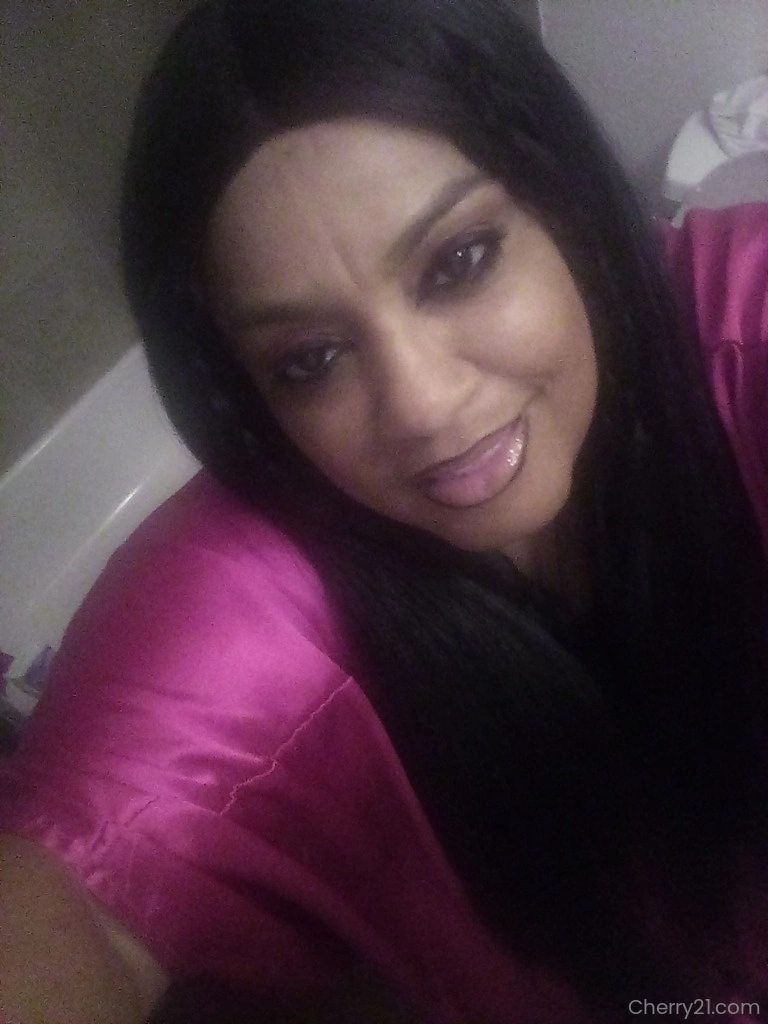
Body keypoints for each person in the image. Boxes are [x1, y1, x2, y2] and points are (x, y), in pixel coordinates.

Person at [1, 0, 768, 1021]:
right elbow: (79, 888)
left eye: (459, 262)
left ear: (567, 203)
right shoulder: (259, 594)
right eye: (310, 359)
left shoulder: (741, 328)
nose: (421, 404)